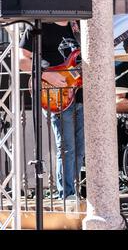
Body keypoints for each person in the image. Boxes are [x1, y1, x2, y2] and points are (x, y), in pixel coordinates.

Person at [19, 21, 85, 199]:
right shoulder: (39, 26)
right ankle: (67, 194)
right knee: (67, 147)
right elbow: (22, 60)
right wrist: (47, 74)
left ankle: (73, 191)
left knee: (80, 149)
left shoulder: (78, 27)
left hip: (79, 93)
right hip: (55, 94)